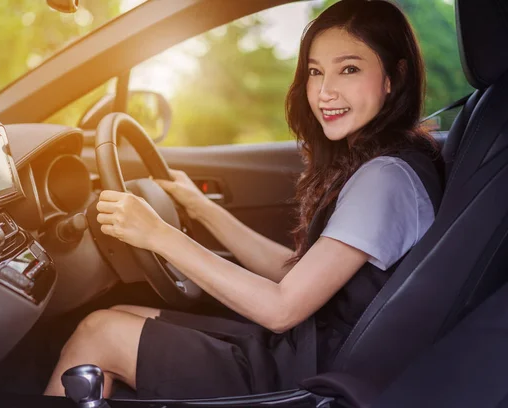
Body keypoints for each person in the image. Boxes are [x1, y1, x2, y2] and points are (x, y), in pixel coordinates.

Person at [44, 0, 443, 399]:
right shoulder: (380, 165)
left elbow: (282, 308)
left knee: (98, 332)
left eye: (349, 69)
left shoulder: (385, 179)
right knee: (120, 315)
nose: (324, 92)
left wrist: (157, 234)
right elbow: (295, 274)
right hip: (311, 350)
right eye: (315, 72)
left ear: (394, 76)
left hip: (314, 381)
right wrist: (202, 208)